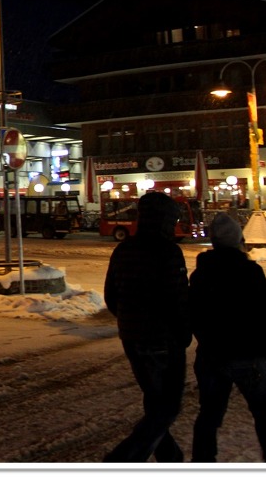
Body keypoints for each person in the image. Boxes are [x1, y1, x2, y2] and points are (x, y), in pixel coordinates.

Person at [102, 191, 191, 462]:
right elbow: (177, 299)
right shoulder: (168, 252)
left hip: (132, 337)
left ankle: (170, 458)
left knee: (155, 399)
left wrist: (129, 319)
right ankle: (123, 459)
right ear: (164, 220)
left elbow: (111, 295)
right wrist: (183, 333)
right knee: (168, 406)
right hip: (163, 338)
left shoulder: (123, 250)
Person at [189, 213, 266, 462]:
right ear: (238, 240)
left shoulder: (201, 274)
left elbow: (194, 314)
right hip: (249, 355)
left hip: (212, 356)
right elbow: (265, 314)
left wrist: (207, 342)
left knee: (209, 417)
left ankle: (202, 464)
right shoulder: (250, 272)